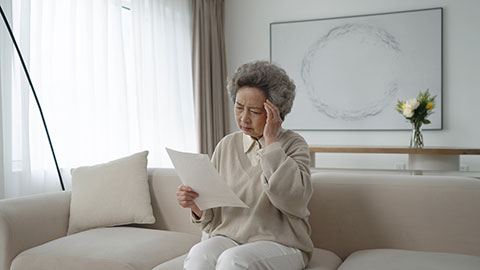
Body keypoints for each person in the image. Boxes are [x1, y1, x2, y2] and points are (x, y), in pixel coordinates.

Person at [176, 60, 313, 270]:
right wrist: (195, 205)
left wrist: (271, 143)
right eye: (239, 108)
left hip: (282, 244)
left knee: (234, 260)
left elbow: (293, 200)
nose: (243, 118)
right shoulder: (226, 145)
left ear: (275, 113)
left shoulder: (294, 144)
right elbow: (212, 218)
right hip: (230, 238)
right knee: (199, 254)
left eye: (255, 112)